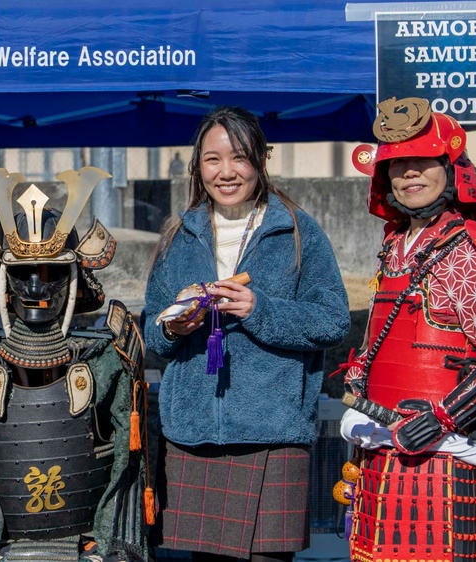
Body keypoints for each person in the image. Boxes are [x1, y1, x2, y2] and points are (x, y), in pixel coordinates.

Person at [142, 106, 350, 562]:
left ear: (260, 159)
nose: (226, 172)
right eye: (213, 159)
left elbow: (333, 320)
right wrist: (173, 326)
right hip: (193, 433)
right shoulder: (179, 234)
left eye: (239, 157)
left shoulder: (297, 231)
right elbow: (152, 334)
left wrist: (261, 309)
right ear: (198, 166)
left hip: (272, 430)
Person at [0, 167, 150, 561]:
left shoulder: (108, 357)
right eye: (23, 274)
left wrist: (114, 549)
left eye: (51, 273)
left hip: (88, 547)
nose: (36, 288)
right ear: (4, 278)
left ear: (73, 278)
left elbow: (127, 467)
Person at [339, 96, 476, 562]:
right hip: (379, 457)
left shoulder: (469, 250)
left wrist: (443, 417)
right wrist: (358, 384)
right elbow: (378, 337)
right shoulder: (393, 247)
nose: (409, 173)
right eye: (397, 164)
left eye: (422, 161)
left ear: (448, 169)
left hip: (444, 465)